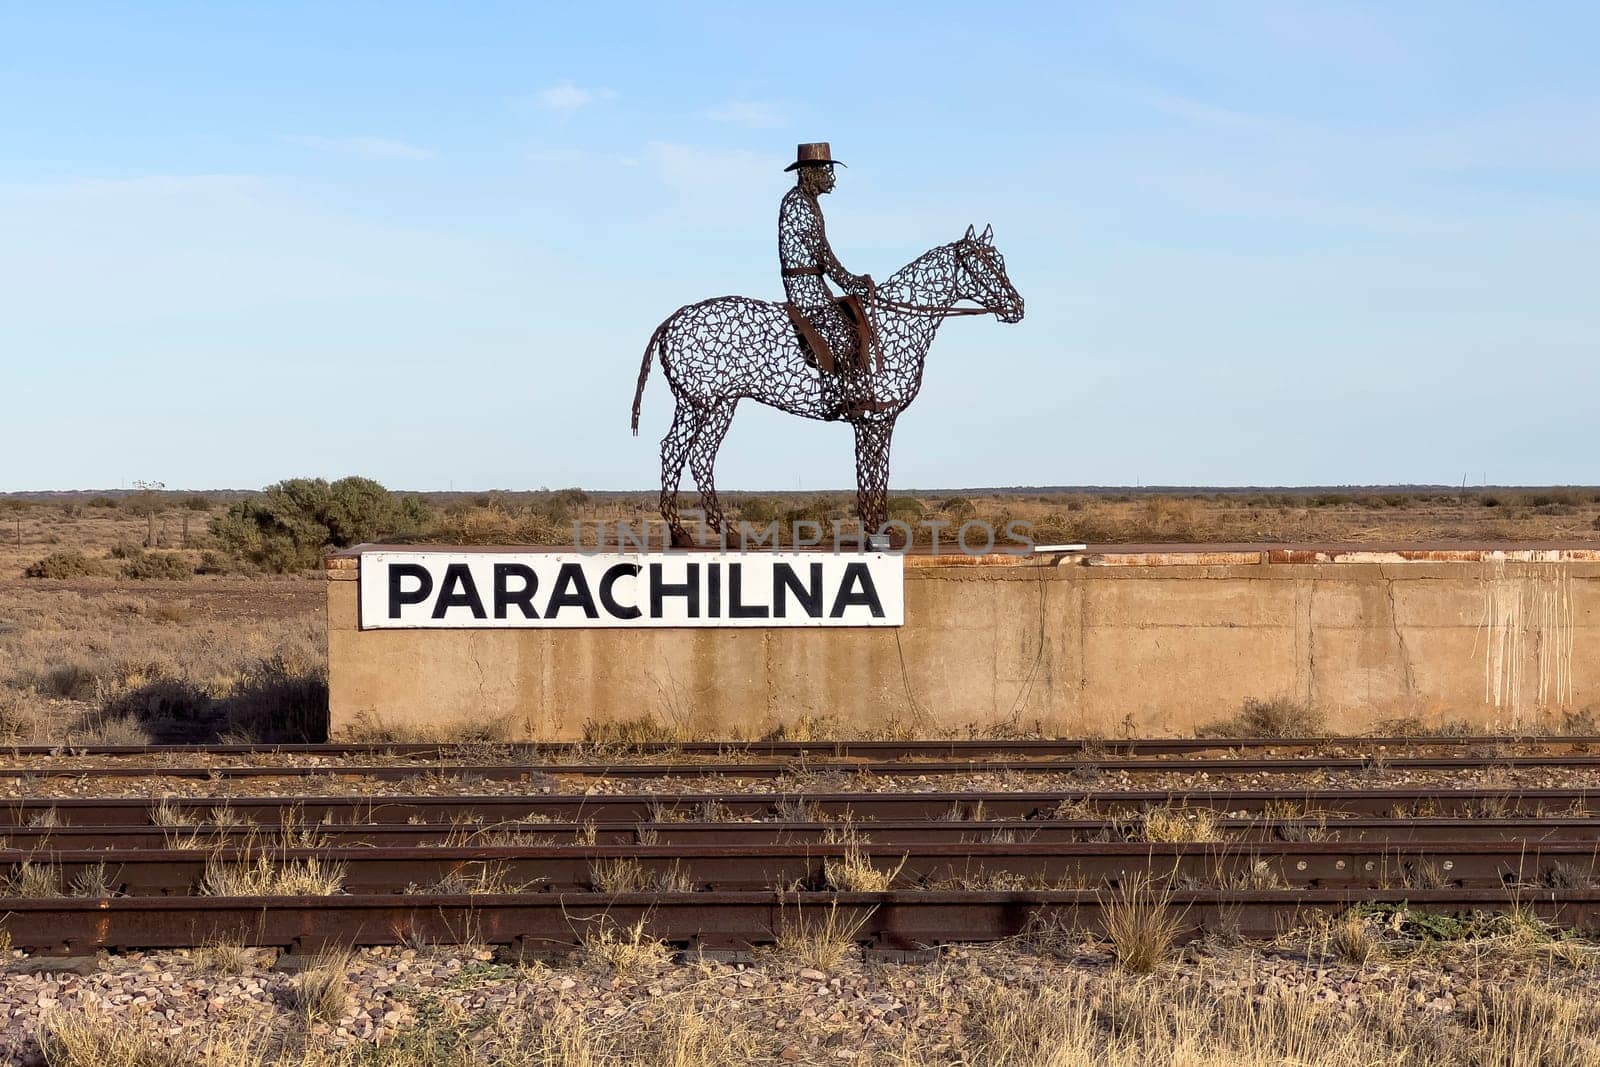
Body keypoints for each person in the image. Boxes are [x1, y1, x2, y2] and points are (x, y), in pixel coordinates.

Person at [778, 143, 876, 374]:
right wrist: (851, 282)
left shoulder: (809, 202)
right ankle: (847, 392)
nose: (830, 177)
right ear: (810, 172)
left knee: (853, 314)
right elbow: (822, 255)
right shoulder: (798, 203)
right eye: (824, 171)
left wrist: (851, 282)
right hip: (804, 286)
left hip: (815, 283)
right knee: (843, 333)